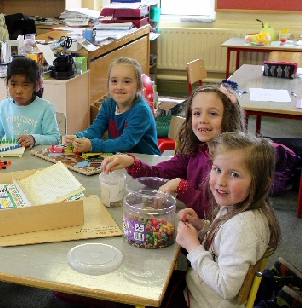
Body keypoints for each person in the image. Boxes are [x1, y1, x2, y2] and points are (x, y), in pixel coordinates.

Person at [114, 132, 282, 308]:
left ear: (261, 183)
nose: (220, 181)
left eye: (235, 175)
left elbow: (227, 286)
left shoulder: (244, 227)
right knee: (150, 278)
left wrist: (193, 246)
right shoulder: (236, 207)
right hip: (202, 293)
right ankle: (275, 304)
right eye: (218, 169)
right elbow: (222, 238)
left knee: (126, 298)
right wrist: (201, 227)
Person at [102, 83, 245, 219]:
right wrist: (132, 162)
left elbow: (216, 210)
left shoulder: (233, 166)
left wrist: (181, 187)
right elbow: (159, 175)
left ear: (229, 119)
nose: (203, 120)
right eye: (197, 113)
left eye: (213, 114)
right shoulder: (194, 152)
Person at [64, 57, 161, 155]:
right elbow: (96, 129)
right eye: (114, 81)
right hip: (120, 159)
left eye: (127, 82)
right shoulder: (108, 105)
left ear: (138, 86)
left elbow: (125, 142)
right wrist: (78, 137)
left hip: (147, 163)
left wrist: (93, 145)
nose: (119, 87)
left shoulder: (141, 110)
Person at [0, 56, 60, 148]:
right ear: (7, 82)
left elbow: (55, 138)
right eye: (14, 84)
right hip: (11, 157)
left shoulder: (45, 108)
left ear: (36, 86)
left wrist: (34, 139)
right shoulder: (4, 106)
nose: (18, 91)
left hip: (35, 157)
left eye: (25, 85)